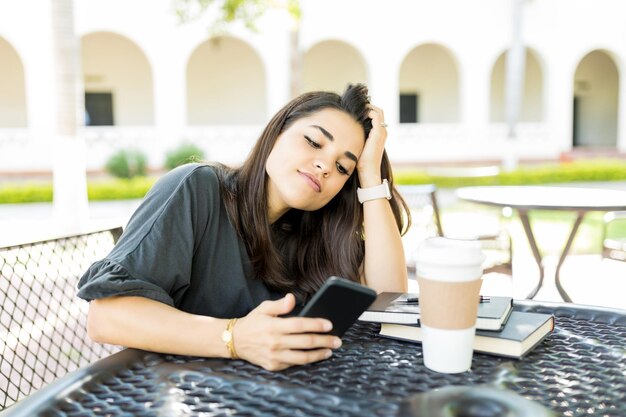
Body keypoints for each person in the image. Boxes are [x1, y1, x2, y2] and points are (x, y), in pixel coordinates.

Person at [78, 83, 411, 371]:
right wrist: (235, 338)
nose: (325, 165)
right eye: (313, 142)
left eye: (342, 167)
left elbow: (389, 299)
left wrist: (369, 173)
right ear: (276, 132)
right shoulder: (197, 189)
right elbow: (107, 316)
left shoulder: (319, 232)